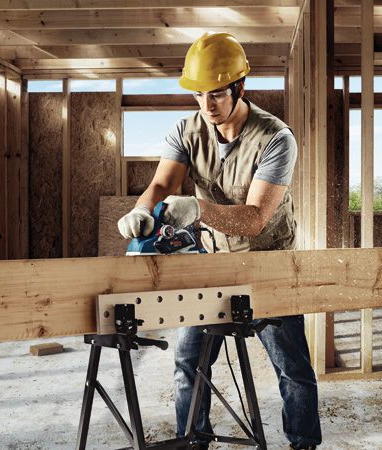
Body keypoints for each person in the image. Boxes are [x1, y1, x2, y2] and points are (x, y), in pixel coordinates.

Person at [117, 32, 321, 450]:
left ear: (239, 88)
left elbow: (255, 218)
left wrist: (197, 209)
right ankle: (195, 441)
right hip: (211, 262)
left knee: (292, 367)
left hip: (269, 263)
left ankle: (303, 444)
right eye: (199, 95)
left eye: (217, 95)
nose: (207, 106)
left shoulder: (276, 139)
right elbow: (160, 184)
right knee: (187, 362)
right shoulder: (186, 129)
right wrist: (142, 211)